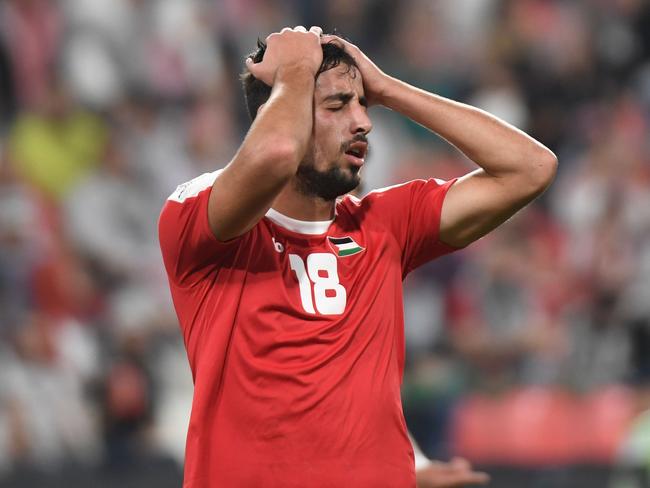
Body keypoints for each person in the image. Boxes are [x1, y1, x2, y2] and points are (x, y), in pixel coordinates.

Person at [158, 25, 556, 487]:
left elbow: (530, 168)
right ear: (279, 113)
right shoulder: (200, 218)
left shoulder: (383, 224)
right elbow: (275, 154)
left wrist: (387, 88)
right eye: (336, 105)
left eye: (362, 104)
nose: (363, 121)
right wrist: (293, 72)